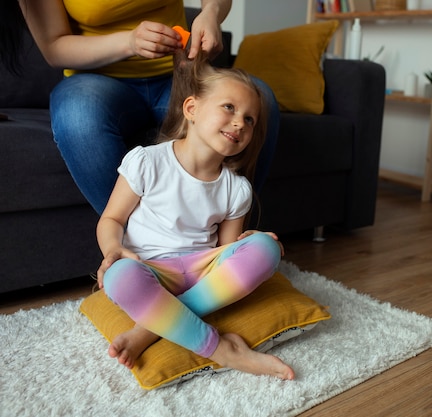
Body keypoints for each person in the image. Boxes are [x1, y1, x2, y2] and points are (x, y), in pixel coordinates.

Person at [96, 52, 294, 380]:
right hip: (151, 270)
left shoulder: (237, 189)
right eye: (229, 107)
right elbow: (112, 220)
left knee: (268, 249)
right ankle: (221, 349)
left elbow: (224, 252)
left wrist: (248, 243)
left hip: (202, 272)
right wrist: (112, 251)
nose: (239, 122)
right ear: (192, 109)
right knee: (119, 278)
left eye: (249, 119)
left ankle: (149, 329)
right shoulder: (147, 162)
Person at [6, 0, 278, 214]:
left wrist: (211, 12)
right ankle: (144, 245)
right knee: (78, 118)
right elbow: (54, 48)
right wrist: (129, 42)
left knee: (261, 99)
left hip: (179, 71)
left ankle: (227, 240)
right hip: (96, 80)